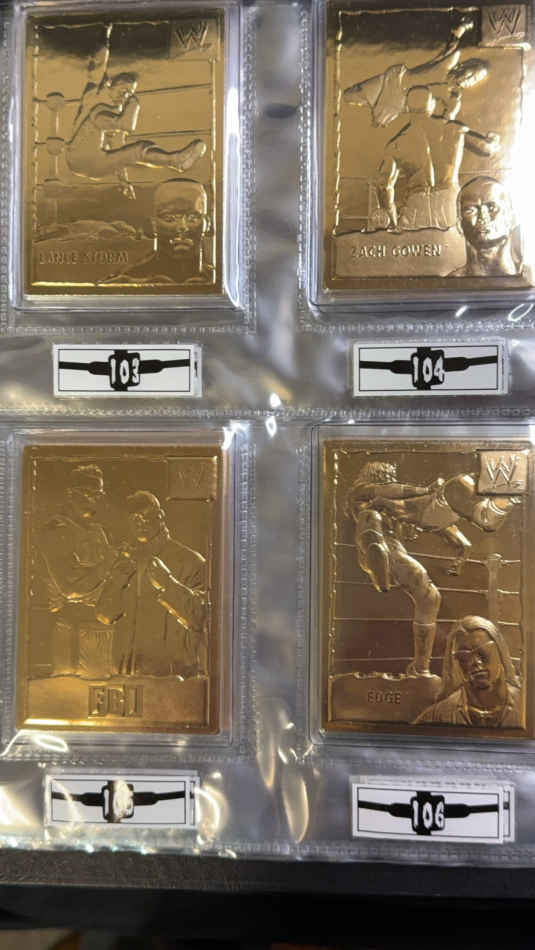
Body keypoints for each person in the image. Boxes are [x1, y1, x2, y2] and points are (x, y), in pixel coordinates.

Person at [346, 461, 520, 676]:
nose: (391, 478)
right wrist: (424, 490)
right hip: (374, 542)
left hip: (394, 549)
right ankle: (376, 556)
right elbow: (387, 491)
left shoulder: (394, 507)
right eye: (388, 474)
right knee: (371, 518)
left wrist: (461, 546)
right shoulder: (362, 492)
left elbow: (434, 522)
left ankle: (421, 667)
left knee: (430, 597)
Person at [66, 26, 206, 200]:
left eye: (130, 93)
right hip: (77, 157)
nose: (125, 95)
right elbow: (97, 67)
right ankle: (172, 158)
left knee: (138, 149)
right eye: (123, 89)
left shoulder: (119, 111)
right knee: (99, 115)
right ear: (109, 86)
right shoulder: (94, 96)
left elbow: (119, 150)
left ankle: (175, 161)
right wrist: (104, 34)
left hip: (97, 165)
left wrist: (124, 181)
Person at [39, 464, 135, 678]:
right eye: (85, 493)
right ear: (70, 494)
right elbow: (70, 589)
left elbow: (107, 579)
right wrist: (110, 560)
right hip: (72, 629)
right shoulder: (56, 530)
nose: (92, 499)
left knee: (103, 692)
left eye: (97, 494)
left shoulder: (97, 531)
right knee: (69, 693)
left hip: (104, 626)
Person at [102, 491, 208, 678]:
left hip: (172, 680)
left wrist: (168, 583)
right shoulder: (124, 561)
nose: (141, 523)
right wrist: (117, 581)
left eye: (146, 516)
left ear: (160, 516)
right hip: (125, 679)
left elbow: (202, 617)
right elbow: (104, 615)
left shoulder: (190, 561)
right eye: (135, 518)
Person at [373, 86, 499, 231]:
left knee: (413, 245)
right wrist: (493, 140)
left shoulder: (396, 144)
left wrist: (392, 220)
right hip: (449, 200)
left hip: (417, 204)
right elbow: (487, 149)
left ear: (407, 108)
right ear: (432, 105)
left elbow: (384, 186)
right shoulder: (454, 129)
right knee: (455, 244)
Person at [343, 15, 477, 128]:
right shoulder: (449, 63)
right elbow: (451, 47)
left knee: (360, 99)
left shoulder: (451, 94)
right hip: (395, 81)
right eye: (469, 74)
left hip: (400, 102)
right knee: (354, 94)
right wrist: (461, 29)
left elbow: (445, 118)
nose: (466, 79)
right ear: (462, 68)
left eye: (471, 80)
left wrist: (450, 112)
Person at [414, 615, 522, 727]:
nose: (475, 662)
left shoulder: (526, 705)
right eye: (464, 657)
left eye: (482, 652)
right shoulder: (435, 717)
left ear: (501, 652)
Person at [102, 179, 212, 285]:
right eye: (170, 218)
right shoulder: (126, 282)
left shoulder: (216, 279)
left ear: (207, 224)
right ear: (153, 225)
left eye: (193, 218)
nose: (182, 227)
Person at [448, 177, 520, 276]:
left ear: (512, 219)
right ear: (459, 225)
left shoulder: (528, 275)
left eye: (492, 208)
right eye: (471, 210)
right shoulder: (450, 281)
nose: (482, 217)